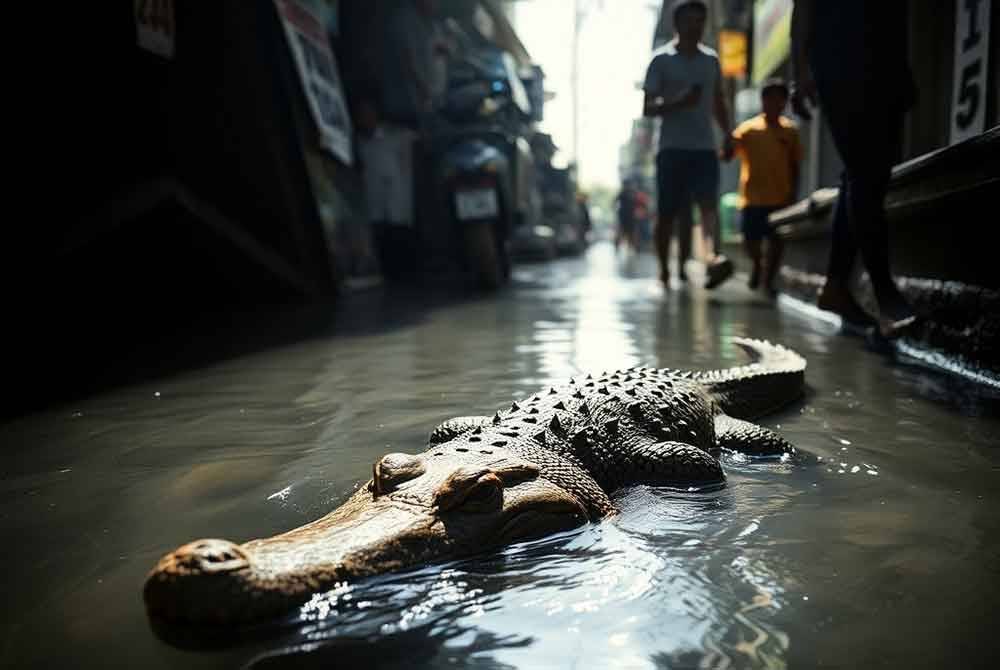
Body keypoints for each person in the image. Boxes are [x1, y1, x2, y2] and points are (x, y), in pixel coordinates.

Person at [790, 0, 919, 338]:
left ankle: (835, 285)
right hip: (842, 59)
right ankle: (884, 291)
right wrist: (799, 72)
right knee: (865, 169)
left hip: (888, 56)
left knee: (867, 172)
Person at [642, 0, 734, 289]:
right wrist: (677, 102)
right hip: (671, 149)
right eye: (689, 21)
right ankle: (664, 271)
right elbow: (648, 107)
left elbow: (718, 101)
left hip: (704, 148)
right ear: (676, 24)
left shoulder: (711, 61)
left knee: (708, 206)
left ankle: (711, 257)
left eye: (700, 21)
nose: (695, 27)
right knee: (668, 212)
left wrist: (728, 134)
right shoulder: (661, 60)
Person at [729, 78, 802, 297]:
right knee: (750, 240)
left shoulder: (790, 132)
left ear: (785, 103)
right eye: (770, 99)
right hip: (752, 197)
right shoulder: (748, 130)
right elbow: (729, 151)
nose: (775, 104)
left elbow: (796, 165)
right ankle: (758, 266)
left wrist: (793, 194)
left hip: (780, 198)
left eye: (780, 100)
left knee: (776, 243)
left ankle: (768, 282)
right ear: (763, 101)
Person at [614, 179, 640, 253]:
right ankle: (624, 246)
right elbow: (615, 201)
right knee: (622, 231)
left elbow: (638, 204)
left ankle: (632, 246)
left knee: (631, 232)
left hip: (630, 216)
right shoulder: (623, 193)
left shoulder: (632, 193)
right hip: (624, 216)